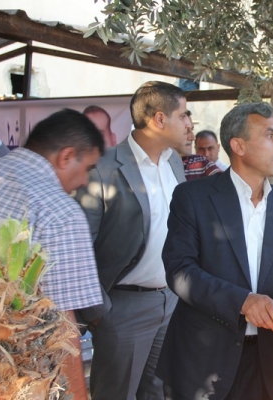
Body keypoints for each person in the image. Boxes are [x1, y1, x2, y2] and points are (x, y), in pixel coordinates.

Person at [157, 102, 273, 400]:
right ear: (238, 146)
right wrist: (243, 301)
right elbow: (180, 270)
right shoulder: (193, 197)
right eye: (270, 135)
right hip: (202, 361)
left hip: (264, 360)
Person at [75, 81, 190, 400]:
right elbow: (79, 247)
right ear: (159, 119)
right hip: (122, 308)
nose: (189, 123)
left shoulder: (173, 161)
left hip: (170, 303)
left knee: (159, 394)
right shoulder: (103, 167)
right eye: (183, 115)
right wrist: (99, 313)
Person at [0, 109, 105, 399]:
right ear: (66, 156)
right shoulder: (59, 211)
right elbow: (62, 328)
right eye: (88, 168)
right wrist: (77, 394)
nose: (84, 181)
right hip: (10, 377)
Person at [179, 110, 221, 180]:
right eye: (186, 131)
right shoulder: (161, 163)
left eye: (192, 129)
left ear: (218, 147)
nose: (192, 137)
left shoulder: (202, 164)